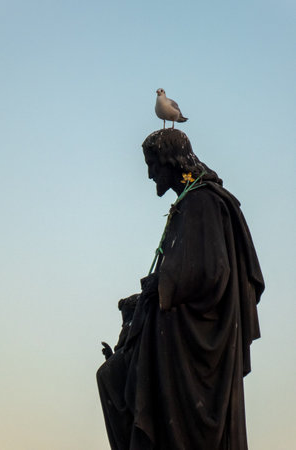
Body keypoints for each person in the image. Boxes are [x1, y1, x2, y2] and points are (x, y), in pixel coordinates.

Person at [97, 129, 264, 450]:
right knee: (111, 376)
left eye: (153, 165)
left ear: (171, 163)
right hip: (173, 329)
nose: (149, 174)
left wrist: (159, 286)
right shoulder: (189, 201)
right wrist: (147, 297)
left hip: (190, 341)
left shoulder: (202, 200)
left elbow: (214, 271)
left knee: (117, 378)